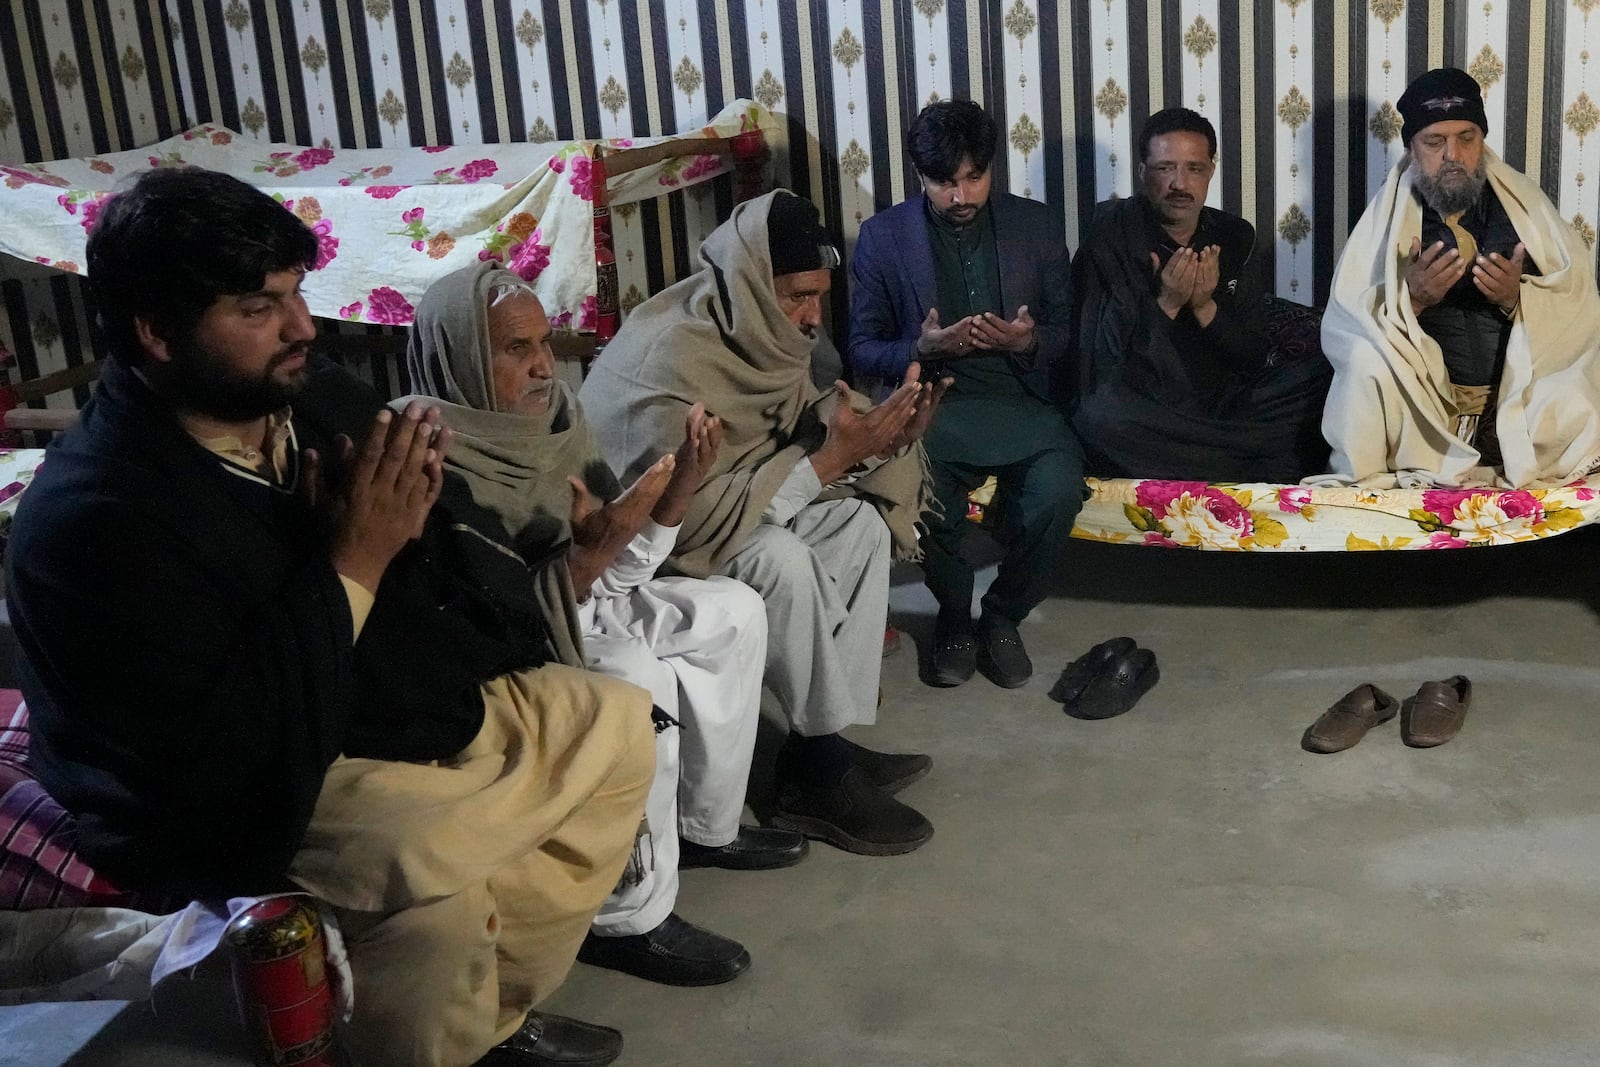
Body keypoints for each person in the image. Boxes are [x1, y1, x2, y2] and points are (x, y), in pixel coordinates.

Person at [5, 167, 655, 1067]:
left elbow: (451, 554)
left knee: (615, 717)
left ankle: (490, 1018)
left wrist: (402, 542)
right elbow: (226, 761)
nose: (304, 326)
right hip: (225, 789)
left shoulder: (313, 398)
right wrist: (350, 559)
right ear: (157, 333)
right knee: (437, 883)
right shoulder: (93, 521)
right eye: (259, 307)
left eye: (298, 293)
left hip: (366, 703)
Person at [403, 262, 807, 989]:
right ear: (460, 353)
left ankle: (704, 829)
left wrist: (677, 484)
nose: (541, 366)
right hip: (512, 641)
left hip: (582, 599)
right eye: (514, 348)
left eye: (544, 343)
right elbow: (474, 618)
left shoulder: (557, 420)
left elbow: (623, 569)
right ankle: (626, 918)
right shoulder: (424, 448)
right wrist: (587, 562)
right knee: (633, 677)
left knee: (732, 610)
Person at [579, 190, 943, 857]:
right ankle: (823, 775)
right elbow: (683, 516)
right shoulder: (671, 355)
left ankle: (817, 751)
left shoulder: (766, 334)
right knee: (781, 558)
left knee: (857, 529)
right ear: (749, 280)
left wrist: (886, 438)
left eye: (819, 296)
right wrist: (836, 456)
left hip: (732, 514)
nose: (810, 318)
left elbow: (796, 437)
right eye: (796, 296)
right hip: (641, 550)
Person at [848, 99, 1085, 690]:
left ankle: (1003, 616)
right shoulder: (883, 238)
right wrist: (923, 348)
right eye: (944, 183)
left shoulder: (1037, 224)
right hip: (931, 405)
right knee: (921, 498)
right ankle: (954, 616)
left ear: (992, 170)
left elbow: (1067, 333)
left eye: (973, 179)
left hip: (1024, 402)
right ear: (920, 178)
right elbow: (860, 347)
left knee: (1056, 493)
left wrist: (1025, 341)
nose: (961, 197)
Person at [1319, 67, 1600, 488]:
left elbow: (1576, 304)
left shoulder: (1525, 208)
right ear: (1411, 147)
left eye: (1466, 138)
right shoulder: (1386, 222)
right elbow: (1347, 325)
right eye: (1435, 141)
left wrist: (1516, 299)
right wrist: (1411, 299)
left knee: (1573, 393)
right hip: (1426, 405)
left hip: (1515, 397)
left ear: (1481, 140)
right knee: (1363, 366)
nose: (1452, 155)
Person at [1069, 107, 1333, 482]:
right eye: (1165, 168)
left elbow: (1254, 356)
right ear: (1143, 172)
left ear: (1211, 170)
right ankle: (1256, 462)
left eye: (1194, 168)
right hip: (1147, 406)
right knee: (1096, 419)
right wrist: (1168, 303)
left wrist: (1205, 306)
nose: (1180, 183)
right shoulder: (1110, 236)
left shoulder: (1233, 236)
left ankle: (1220, 458)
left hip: (1223, 404)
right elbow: (1102, 367)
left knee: (1328, 375)